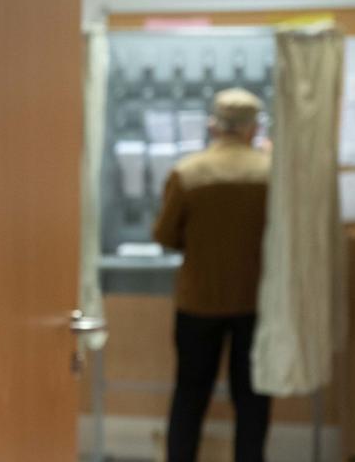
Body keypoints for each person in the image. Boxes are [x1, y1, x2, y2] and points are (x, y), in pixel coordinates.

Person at [153, 88, 271, 462]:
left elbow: (165, 235)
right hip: (255, 300)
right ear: (254, 128)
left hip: (198, 301)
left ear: (214, 126)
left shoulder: (188, 173)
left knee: (190, 393)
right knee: (252, 397)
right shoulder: (272, 173)